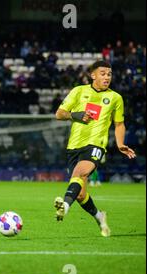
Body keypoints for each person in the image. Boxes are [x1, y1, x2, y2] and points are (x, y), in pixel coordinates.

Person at [54, 60, 136, 237]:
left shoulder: (115, 98)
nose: (107, 77)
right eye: (103, 73)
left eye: (109, 74)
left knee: (80, 173)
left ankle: (64, 207)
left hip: (96, 144)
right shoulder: (79, 91)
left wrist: (120, 143)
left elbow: (119, 124)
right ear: (93, 75)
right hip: (74, 146)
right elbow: (59, 114)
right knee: (81, 194)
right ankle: (100, 217)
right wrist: (75, 115)